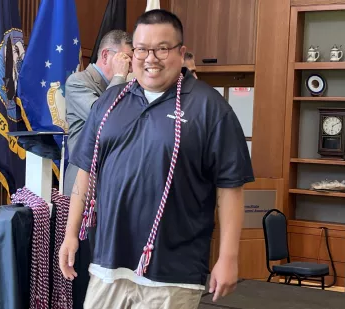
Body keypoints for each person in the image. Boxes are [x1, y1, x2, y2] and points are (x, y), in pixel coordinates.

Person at [59, 9, 254, 309]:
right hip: (108, 265)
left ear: (180, 52)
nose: (150, 58)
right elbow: (85, 172)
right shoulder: (109, 103)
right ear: (131, 52)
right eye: (141, 49)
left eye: (162, 49)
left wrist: (228, 257)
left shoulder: (209, 107)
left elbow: (230, 188)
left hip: (172, 271)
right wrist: (71, 234)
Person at [63, 30, 133, 197]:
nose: (130, 67)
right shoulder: (78, 82)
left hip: (112, 182)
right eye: (126, 59)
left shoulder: (125, 86)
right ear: (105, 55)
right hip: (84, 185)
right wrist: (118, 76)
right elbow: (104, 117)